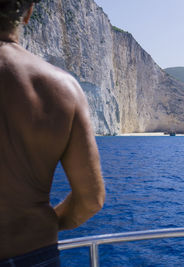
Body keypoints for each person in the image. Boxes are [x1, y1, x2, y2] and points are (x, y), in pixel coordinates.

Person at [0, 1, 105, 266]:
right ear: (28, 13)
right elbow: (91, 200)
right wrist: (42, 221)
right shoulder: (63, 89)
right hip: (34, 252)